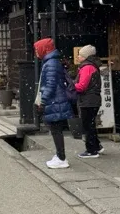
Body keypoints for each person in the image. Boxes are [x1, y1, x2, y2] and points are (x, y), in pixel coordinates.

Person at [34, 37, 73, 169]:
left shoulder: (50, 63)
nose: (36, 52)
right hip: (56, 100)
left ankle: (61, 158)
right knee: (56, 129)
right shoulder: (52, 62)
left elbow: (50, 85)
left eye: (37, 49)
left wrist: (43, 101)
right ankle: (59, 155)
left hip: (54, 101)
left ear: (44, 49)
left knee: (56, 130)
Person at [75, 45, 104, 158]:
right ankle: (97, 146)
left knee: (87, 125)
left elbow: (81, 86)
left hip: (88, 100)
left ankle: (91, 150)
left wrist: (71, 86)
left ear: (86, 56)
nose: (78, 56)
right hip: (92, 99)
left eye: (80, 55)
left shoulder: (87, 67)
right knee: (90, 124)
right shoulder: (92, 66)